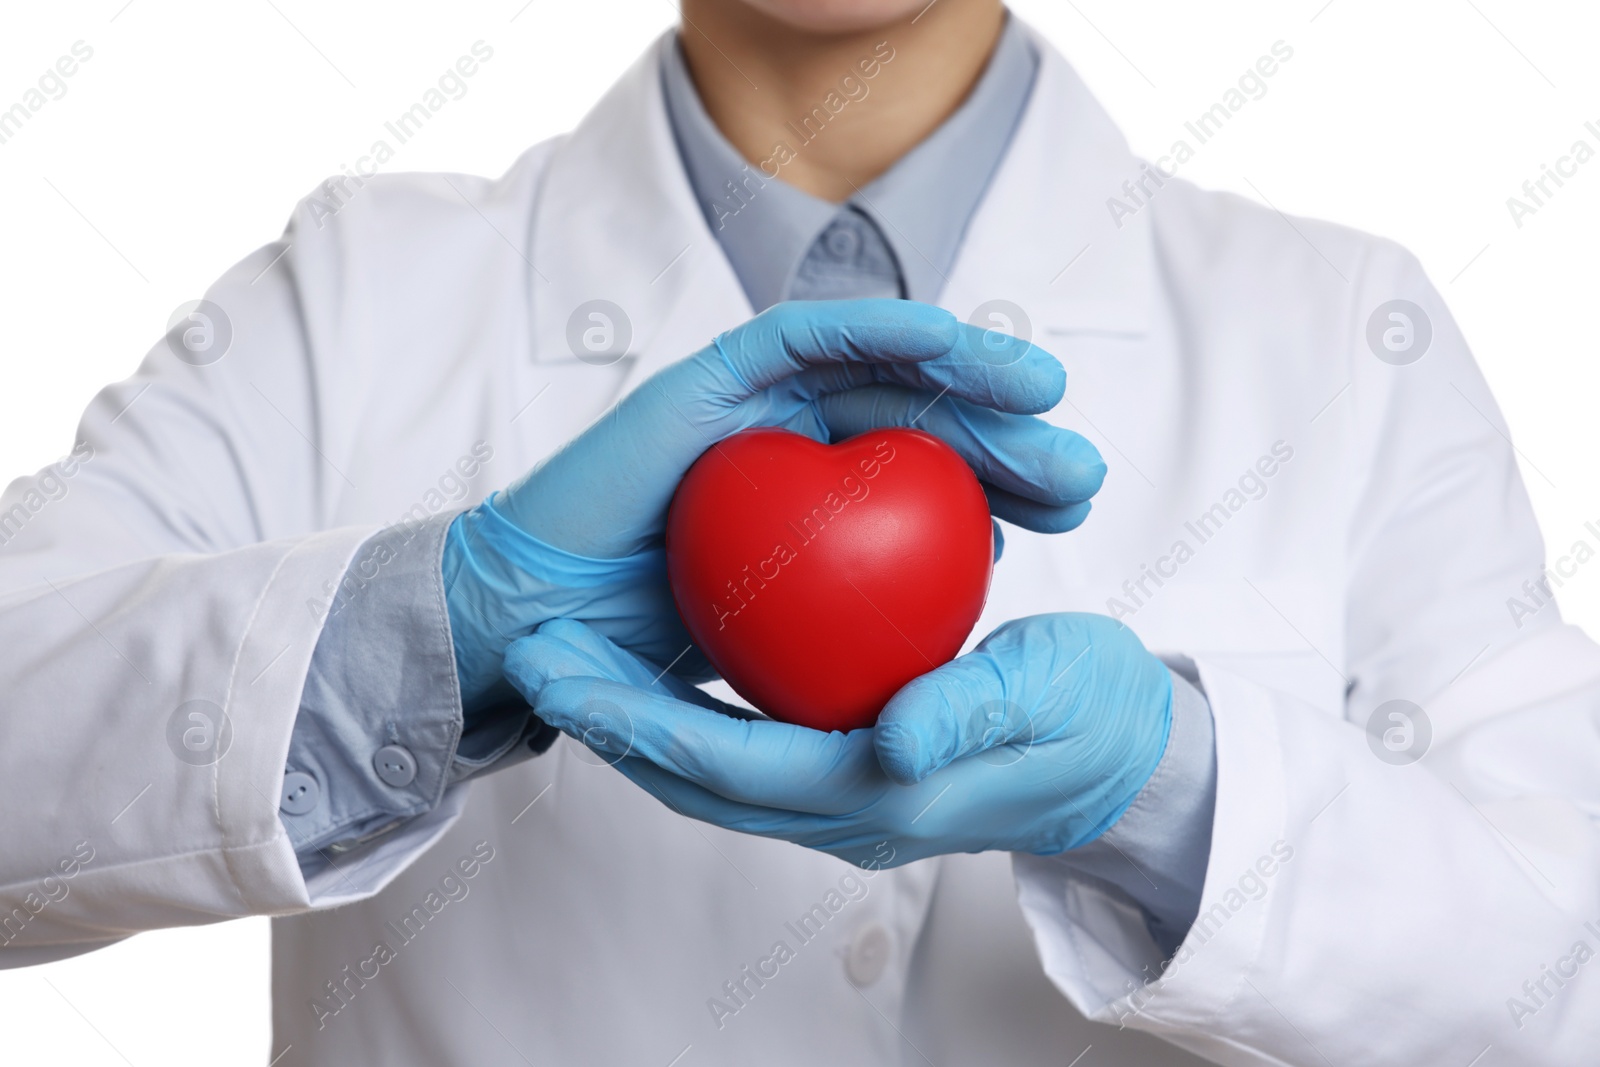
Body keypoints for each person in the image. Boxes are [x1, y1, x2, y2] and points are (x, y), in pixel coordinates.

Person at [2, 0, 1597, 1063]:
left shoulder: (1342, 333)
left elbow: (1564, 969)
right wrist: (428, 637)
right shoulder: (349, 297)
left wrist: (1171, 797)